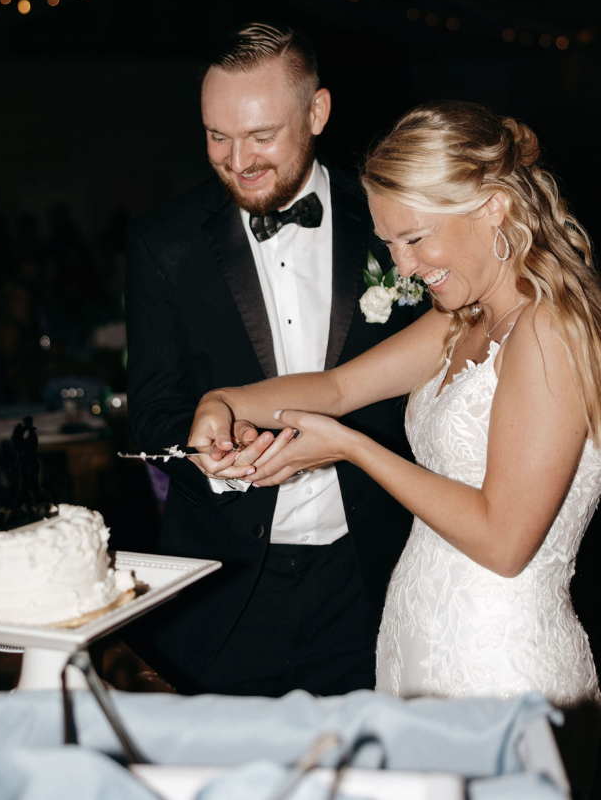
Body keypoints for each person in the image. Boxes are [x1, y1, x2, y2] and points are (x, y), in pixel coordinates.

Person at [189, 100, 601, 791]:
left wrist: (350, 451)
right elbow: (338, 388)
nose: (403, 268)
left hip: (501, 672)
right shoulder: (465, 319)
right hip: (417, 647)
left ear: (494, 206)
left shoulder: (550, 329)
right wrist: (222, 403)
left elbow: (504, 539)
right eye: (390, 245)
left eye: (415, 239)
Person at [124, 22, 421, 697]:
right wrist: (208, 449)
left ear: (316, 112)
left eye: (262, 136)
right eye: (217, 137)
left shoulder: (388, 218)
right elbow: (154, 406)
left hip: (368, 578)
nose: (239, 161)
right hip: (222, 591)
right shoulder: (162, 243)